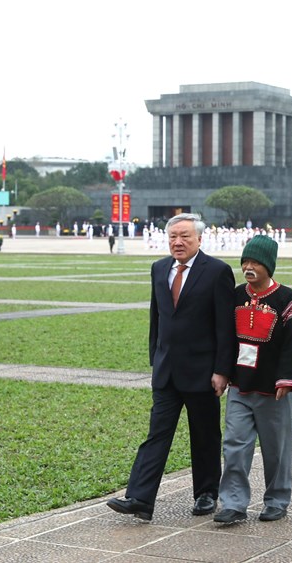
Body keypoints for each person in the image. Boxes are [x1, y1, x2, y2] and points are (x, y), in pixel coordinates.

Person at [108, 213, 236, 521]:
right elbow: (158, 317)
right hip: (166, 371)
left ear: (199, 239)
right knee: (156, 434)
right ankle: (139, 498)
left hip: (203, 371)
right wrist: (156, 357)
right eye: (173, 237)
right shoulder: (159, 268)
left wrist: (222, 370)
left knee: (204, 435)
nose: (177, 242)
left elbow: (225, 327)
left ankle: (206, 493)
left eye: (185, 237)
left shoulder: (217, 271)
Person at [214, 235, 292, 525]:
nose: (248, 268)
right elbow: (226, 338)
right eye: (245, 262)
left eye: (255, 263)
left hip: (273, 390)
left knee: (276, 449)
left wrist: (285, 379)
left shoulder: (285, 298)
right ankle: (233, 504)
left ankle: (276, 500)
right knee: (235, 445)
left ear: (269, 266)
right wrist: (223, 372)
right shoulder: (237, 295)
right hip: (240, 386)